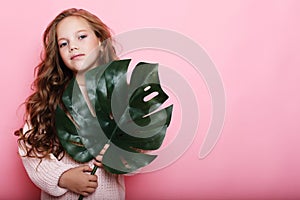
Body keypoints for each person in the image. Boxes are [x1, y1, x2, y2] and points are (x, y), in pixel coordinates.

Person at [14, 8, 125, 200]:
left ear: (100, 40)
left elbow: (140, 145)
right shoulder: (51, 100)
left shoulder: (119, 94)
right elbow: (29, 149)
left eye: (81, 36)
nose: (73, 46)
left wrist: (119, 156)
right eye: (63, 44)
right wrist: (62, 177)